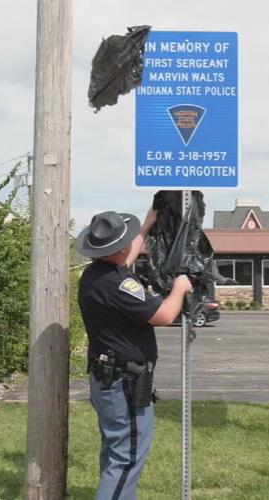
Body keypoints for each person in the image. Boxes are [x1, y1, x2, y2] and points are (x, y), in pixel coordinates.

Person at [75, 208, 192, 500]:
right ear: (120, 247)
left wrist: (148, 221)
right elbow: (164, 315)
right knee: (126, 459)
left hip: (109, 379)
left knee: (117, 453)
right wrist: (179, 288)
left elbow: (125, 257)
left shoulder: (96, 275)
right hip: (123, 382)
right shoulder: (120, 285)